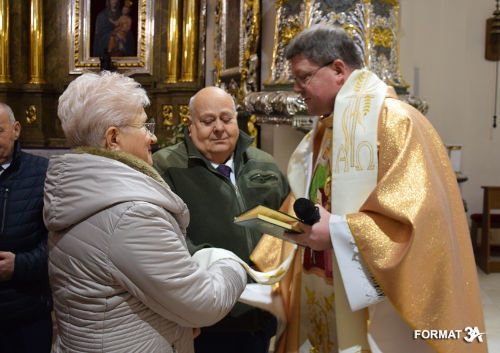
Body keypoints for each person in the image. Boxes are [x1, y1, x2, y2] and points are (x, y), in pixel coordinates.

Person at [252, 25, 486, 353]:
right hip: (324, 283)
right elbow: (308, 194)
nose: (296, 89)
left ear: (337, 69)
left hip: (374, 305)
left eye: (303, 77)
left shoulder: (396, 123)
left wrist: (336, 231)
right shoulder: (326, 129)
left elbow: (415, 221)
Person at [44, 72, 247, 353]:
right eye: (143, 125)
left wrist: (177, 324)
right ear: (113, 138)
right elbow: (204, 303)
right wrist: (231, 263)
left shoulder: (82, 190)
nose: (152, 136)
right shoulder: (130, 214)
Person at [153, 86, 290, 353]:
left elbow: (287, 225)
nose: (218, 128)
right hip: (206, 318)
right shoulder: (166, 167)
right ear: (190, 125)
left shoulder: (263, 164)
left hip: (261, 313)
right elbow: (165, 240)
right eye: (207, 121)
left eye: (226, 119)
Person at [0, 103, 52, 353]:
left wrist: (19, 265)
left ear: (16, 130)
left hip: (27, 310)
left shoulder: (42, 173)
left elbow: (58, 243)